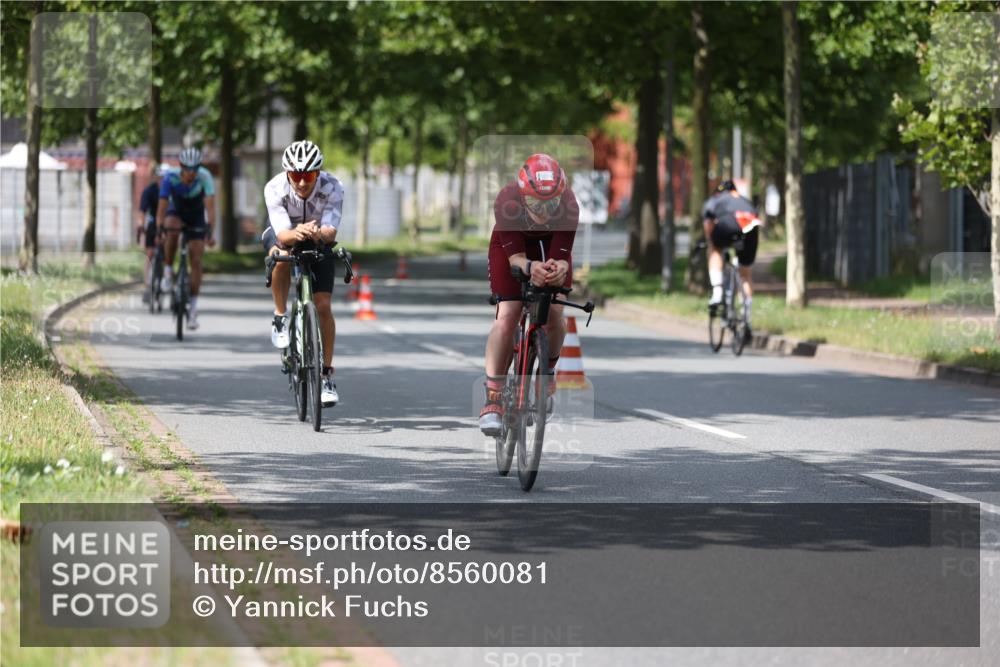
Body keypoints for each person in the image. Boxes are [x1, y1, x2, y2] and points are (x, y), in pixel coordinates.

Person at [479, 153, 579, 436]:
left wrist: (557, 269)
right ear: (523, 197)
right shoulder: (507, 199)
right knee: (508, 314)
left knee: (557, 310)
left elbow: (562, 256)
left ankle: (545, 374)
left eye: (552, 204)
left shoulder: (569, 203)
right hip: (512, 249)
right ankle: (494, 397)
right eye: (536, 203)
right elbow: (517, 261)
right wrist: (531, 267)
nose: (544, 212)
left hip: (548, 245)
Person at [263, 140, 345, 408]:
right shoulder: (274, 188)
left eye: (307, 176)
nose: (301, 183)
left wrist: (317, 233)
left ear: (317, 173)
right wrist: (296, 233)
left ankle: (326, 376)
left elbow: (331, 231)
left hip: (319, 237)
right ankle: (279, 316)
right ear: (288, 174)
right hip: (284, 234)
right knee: (281, 256)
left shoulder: (334, 187)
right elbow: (282, 232)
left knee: (323, 305)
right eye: (296, 176)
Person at [156, 147, 215, 330]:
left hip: (196, 214)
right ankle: (167, 270)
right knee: (171, 230)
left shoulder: (205, 177)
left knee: (196, 260)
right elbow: (162, 205)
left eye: (195, 168)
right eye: (188, 169)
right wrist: (159, 227)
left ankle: (193, 309)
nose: (191, 173)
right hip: (177, 211)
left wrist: (210, 231)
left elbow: (211, 208)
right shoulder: (170, 177)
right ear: (181, 166)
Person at [702, 179, 761, 332]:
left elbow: (708, 223)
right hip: (750, 226)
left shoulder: (715, 200)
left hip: (727, 224)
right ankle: (746, 315)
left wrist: (710, 241)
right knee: (745, 274)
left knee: (715, 250)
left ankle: (717, 293)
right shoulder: (744, 200)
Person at [137, 165, 162, 302]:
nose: (160, 180)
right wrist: (141, 224)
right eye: (158, 177)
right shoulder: (149, 191)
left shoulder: (170, 191)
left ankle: (167, 275)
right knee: (149, 253)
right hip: (153, 224)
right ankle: (147, 284)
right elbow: (142, 210)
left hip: (167, 224)